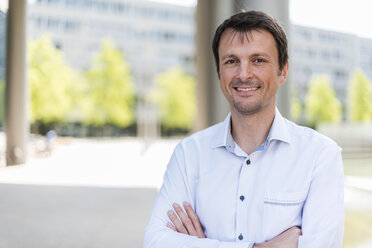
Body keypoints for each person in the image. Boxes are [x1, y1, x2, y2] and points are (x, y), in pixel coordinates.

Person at [144, 10, 344, 248]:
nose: (243, 73)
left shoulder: (320, 156)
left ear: (283, 71)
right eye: (231, 61)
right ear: (219, 72)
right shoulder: (189, 154)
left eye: (258, 60)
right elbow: (156, 242)